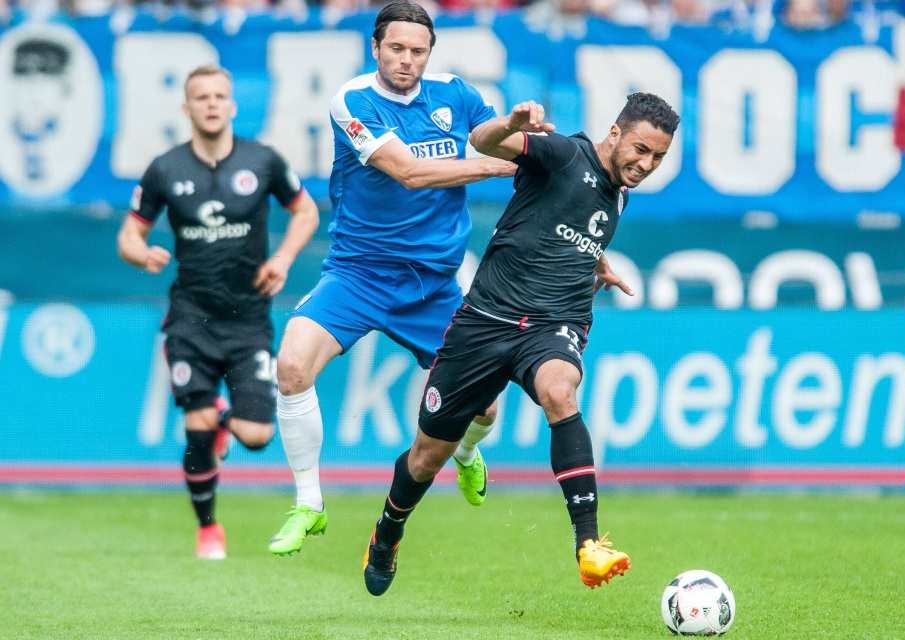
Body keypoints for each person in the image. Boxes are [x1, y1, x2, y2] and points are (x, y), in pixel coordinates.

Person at [362, 92, 679, 595]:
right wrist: (508, 123)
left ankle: (589, 544)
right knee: (424, 458)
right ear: (614, 133)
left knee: (560, 391)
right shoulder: (563, 154)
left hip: (556, 323)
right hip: (485, 321)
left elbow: (572, 226)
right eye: (640, 149)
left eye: (657, 158)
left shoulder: (618, 192)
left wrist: (596, 261)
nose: (646, 164)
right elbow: (483, 140)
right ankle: (387, 534)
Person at [268, 0, 518, 556]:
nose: (407, 60)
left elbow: (488, 134)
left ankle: (467, 453)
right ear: (376, 48)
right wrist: (493, 165)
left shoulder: (454, 92)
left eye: (418, 51)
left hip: (433, 286)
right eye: (397, 49)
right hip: (358, 275)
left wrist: (512, 128)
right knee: (290, 364)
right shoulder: (352, 102)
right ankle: (309, 504)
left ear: (430, 53)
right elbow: (409, 173)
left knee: (485, 408)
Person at [116, 64, 320, 560]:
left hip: (249, 319)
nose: (211, 104)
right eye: (201, 97)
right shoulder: (165, 168)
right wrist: (141, 254)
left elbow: (307, 212)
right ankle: (209, 529)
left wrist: (283, 258)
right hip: (190, 317)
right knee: (196, 424)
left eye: (219, 96)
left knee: (256, 435)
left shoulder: (264, 160)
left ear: (231, 106)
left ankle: (226, 421)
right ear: (187, 108)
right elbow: (128, 234)